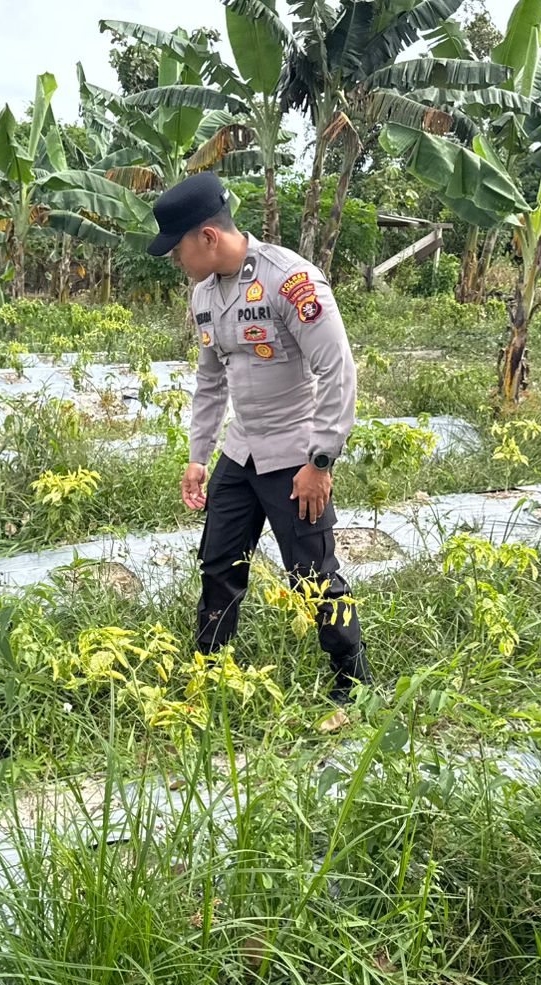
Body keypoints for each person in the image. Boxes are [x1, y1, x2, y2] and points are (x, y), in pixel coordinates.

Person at [147, 172, 373, 705]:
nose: (175, 260)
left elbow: (337, 370)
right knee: (219, 565)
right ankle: (207, 674)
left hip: (295, 454)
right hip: (240, 450)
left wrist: (321, 461)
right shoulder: (204, 295)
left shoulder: (290, 280)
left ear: (207, 237)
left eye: (177, 248)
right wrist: (197, 457)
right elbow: (210, 380)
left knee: (312, 577)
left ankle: (354, 686)